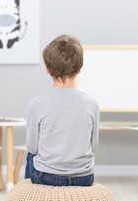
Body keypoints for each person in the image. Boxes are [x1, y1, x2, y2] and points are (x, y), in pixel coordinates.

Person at [25, 34, 99, 186]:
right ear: (80, 68)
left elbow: (32, 147)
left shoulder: (37, 104)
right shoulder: (92, 103)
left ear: (47, 68)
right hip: (84, 178)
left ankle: (31, 197)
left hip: (48, 178)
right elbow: (94, 147)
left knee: (30, 156)